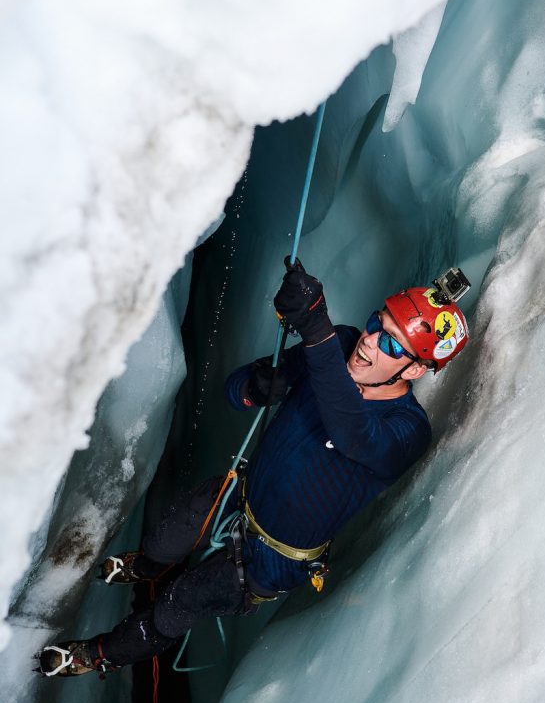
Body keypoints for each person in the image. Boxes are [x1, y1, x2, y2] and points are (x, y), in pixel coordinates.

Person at [37, 261, 469, 677]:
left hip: (274, 560)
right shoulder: (339, 344)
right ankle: (146, 566)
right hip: (239, 495)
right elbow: (237, 390)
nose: (370, 341)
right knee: (165, 539)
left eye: (392, 343)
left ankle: (99, 654)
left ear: (415, 368)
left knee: (179, 602)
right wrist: (255, 384)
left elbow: (355, 433)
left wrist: (316, 332)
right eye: (378, 323)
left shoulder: (408, 430)